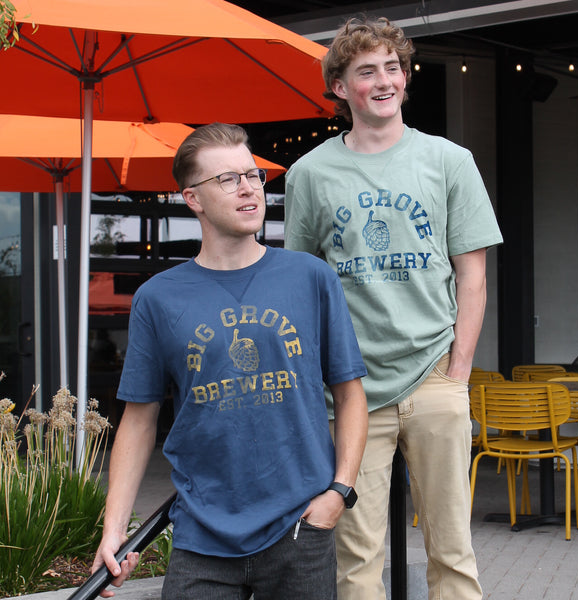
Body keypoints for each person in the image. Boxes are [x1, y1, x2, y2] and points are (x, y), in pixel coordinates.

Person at [92, 122, 369, 600]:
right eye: (227, 179)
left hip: (301, 529)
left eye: (253, 175)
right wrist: (113, 529)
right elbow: (138, 420)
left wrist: (338, 494)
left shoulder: (310, 277)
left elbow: (350, 395)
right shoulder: (158, 298)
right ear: (192, 199)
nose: (248, 189)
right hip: (203, 536)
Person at [284, 16, 503, 600]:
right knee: (356, 558)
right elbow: (300, 283)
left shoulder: (449, 161)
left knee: (452, 549)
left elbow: (473, 276)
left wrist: (458, 372)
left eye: (392, 68)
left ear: (406, 79)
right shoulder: (309, 173)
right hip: (351, 390)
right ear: (340, 87)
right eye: (366, 71)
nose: (383, 80)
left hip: (434, 374)